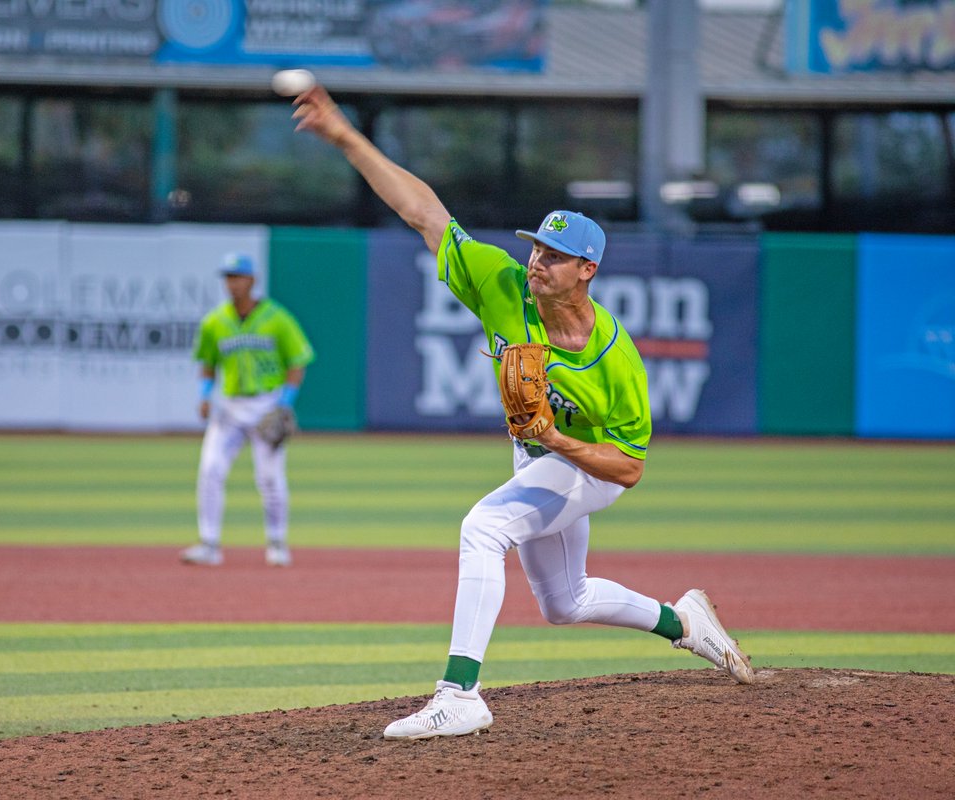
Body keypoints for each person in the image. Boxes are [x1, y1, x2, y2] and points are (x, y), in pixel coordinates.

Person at [288, 84, 754, 739]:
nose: (538, 261)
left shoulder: (614, 362)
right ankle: (686, 622)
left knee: (483, 529)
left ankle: (460, 693)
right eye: (536, 247)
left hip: (584, 467)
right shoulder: (506, 287)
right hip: (539, 455)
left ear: (587, 269)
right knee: (564, 601)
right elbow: (425, 214)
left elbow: (627, 470)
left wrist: (556, 440)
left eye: (555, 257)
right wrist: (344, 136)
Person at [181, 252, 315, 568]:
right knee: (211, 470)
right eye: (228, 277)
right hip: (228, 406)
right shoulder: (215, 321)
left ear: (252, 280)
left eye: (237, 276)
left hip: (266, 403)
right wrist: (204, 395)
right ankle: (210, 544)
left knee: (269, 478)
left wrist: (284, 404)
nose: (232, 283)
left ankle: (277, 543)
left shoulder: (276, 318)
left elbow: (298, 360)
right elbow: (207, 362)